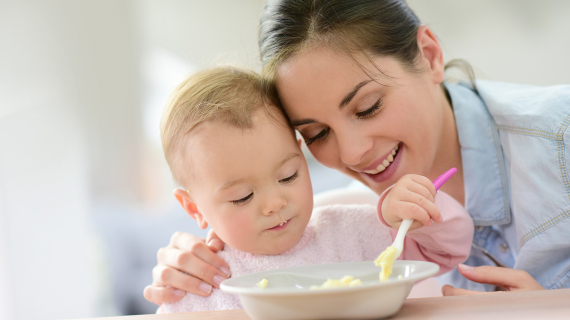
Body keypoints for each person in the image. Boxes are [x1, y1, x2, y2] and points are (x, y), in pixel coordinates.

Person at [145, 0, 562, 304]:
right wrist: (196, 265)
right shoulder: (347, 222)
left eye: (368, 107)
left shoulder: (559, 138)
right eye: (318, 133)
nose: (353, 153)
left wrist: (553, 310)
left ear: (430, 56)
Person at [155, 65, 472, 312]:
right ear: (194, 208)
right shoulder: (199, 281)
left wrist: (413, 208)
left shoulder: (354, 232)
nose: (275, 203)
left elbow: (449, 249)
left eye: (288, 175)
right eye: (243, 197)